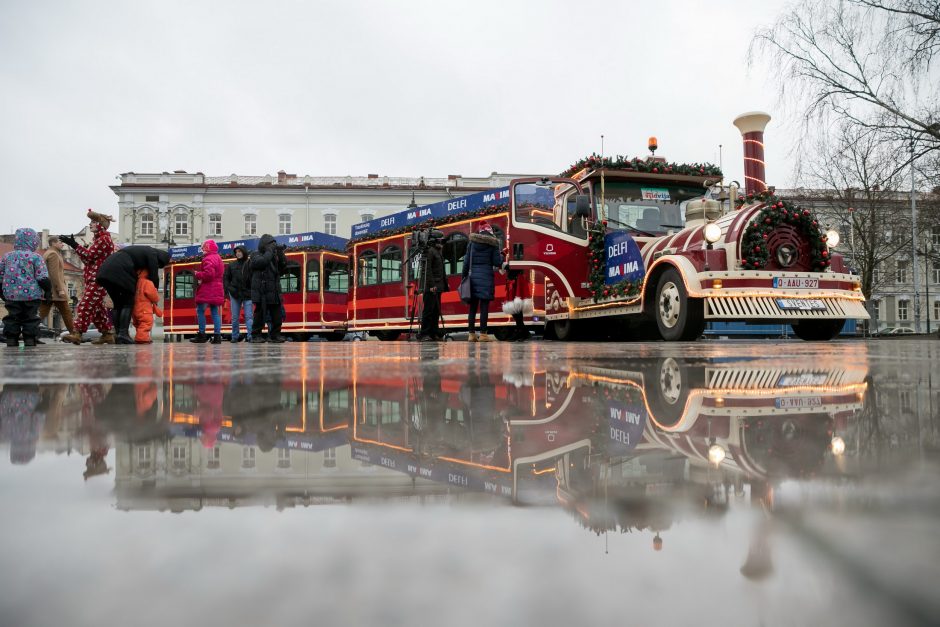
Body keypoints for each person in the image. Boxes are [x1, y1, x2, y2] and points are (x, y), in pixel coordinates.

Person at [60, 210, 116, 344]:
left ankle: (77, 333)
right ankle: (107, 334)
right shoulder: (99, 239)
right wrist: (78, 247)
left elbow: (89, 256)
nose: (90, 224)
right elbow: (89, 260)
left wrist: (75, 245)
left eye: (93, 222)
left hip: (99, 279)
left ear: (100, 225)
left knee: (85, 305)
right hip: (93, 278)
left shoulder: (104, 239)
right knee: (97, 310)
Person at [95, 244, 170, 344]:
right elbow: (153, 276)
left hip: (104, 271)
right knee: (128, 302)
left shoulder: (139, 250)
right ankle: (123, 334)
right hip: (119, 270)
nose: (158, 266)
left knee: (118, 304)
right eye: (160, 264)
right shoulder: (152, 253)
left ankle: (118, 334)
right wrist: (154, 291)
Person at [0, 228, 52, 347]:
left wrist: (1, 291)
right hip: (31, 295)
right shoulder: (36, 257)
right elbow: (42, 277)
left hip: (11, 295)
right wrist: (48, 291)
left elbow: (0, 275)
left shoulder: (7, 256)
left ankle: (11, 339)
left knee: (13, 317)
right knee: (31, 317)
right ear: (33, 241)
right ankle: (30, 339)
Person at [462, 222, 503, 342]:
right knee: (484, 307)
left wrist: (464, 277)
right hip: (486, 278)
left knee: (472, 308)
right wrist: (502, 257)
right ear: (490, 231)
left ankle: (471, 334)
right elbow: (497, 262)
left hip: (473, 279)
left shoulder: (472, 243)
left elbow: (466, 262)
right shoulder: (493, 244)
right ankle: (484, 334)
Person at [248, 234, 289, 343]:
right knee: (260, 315)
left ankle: (275, 335)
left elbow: (283, 266)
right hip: (261, 290)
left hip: (274, 291)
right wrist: (270, 251)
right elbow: (262, 262)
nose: (272, 246)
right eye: (270, 244)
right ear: (264, 245)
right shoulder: (255, 255)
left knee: (277, 316)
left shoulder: (272, 256)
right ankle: (256, 335)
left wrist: (280, 253)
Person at [38, 236, 76, 340]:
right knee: (66, 312)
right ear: (53, 243)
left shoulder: (48, 253)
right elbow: (54, 274)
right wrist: (60, 289)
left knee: (41, 313)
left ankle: (30, 334)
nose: (62, 244)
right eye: (60, 242)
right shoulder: (53, 254)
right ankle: (74, 334)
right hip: (55, 291)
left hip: (48, 290)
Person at [190, 239, 224, 344]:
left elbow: (209, 274)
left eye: (204, 247)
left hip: (208, 288)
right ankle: (217, 336)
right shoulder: (218, 258)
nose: (202, 250)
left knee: (200, 311)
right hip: (217, 288)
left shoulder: (208, 259)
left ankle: (202, 335)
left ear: (207, 248)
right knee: (215, 313)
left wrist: (197, 274)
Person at [418, 233, 447, 341]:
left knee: (436, 312)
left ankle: (434, 332)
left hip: (438, 286)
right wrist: (431, 285)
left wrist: (444, 283)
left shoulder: (438, 252)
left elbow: (441, 270)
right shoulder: (430, 251)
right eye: (440, 241)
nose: (442, 243)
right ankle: (424, 333)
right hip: (432, 287)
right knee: (428, 311)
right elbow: (427, 270)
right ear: (435, 241)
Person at [223, 245, 252, 343]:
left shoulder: (249, 264)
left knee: (249, 316)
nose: (238, 253)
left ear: (244, 252)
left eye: (240, 251)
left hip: (247, 294)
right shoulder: (232, 265)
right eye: (236, 252)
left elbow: (253, 278)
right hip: (235, 293)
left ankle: (250, 336)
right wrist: (229, 289)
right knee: (235, 317)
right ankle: (235, 336)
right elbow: (226, 278)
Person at [502, 258, 533, 342]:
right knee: (515, 307)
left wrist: (506, 266)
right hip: (513, 277)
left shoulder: (515, 248)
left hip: (516, 278)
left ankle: (521, 331)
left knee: (516, 306)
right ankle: (523, 331)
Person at [132, 268, 162, 344]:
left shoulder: (135, 282)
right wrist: (156, 298)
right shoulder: (147, 282)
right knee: (146, 323)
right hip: (144, 309)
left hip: (135, 308)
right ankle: (142, 339)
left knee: (138, 324)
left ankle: (141, 337)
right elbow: (153, 296)